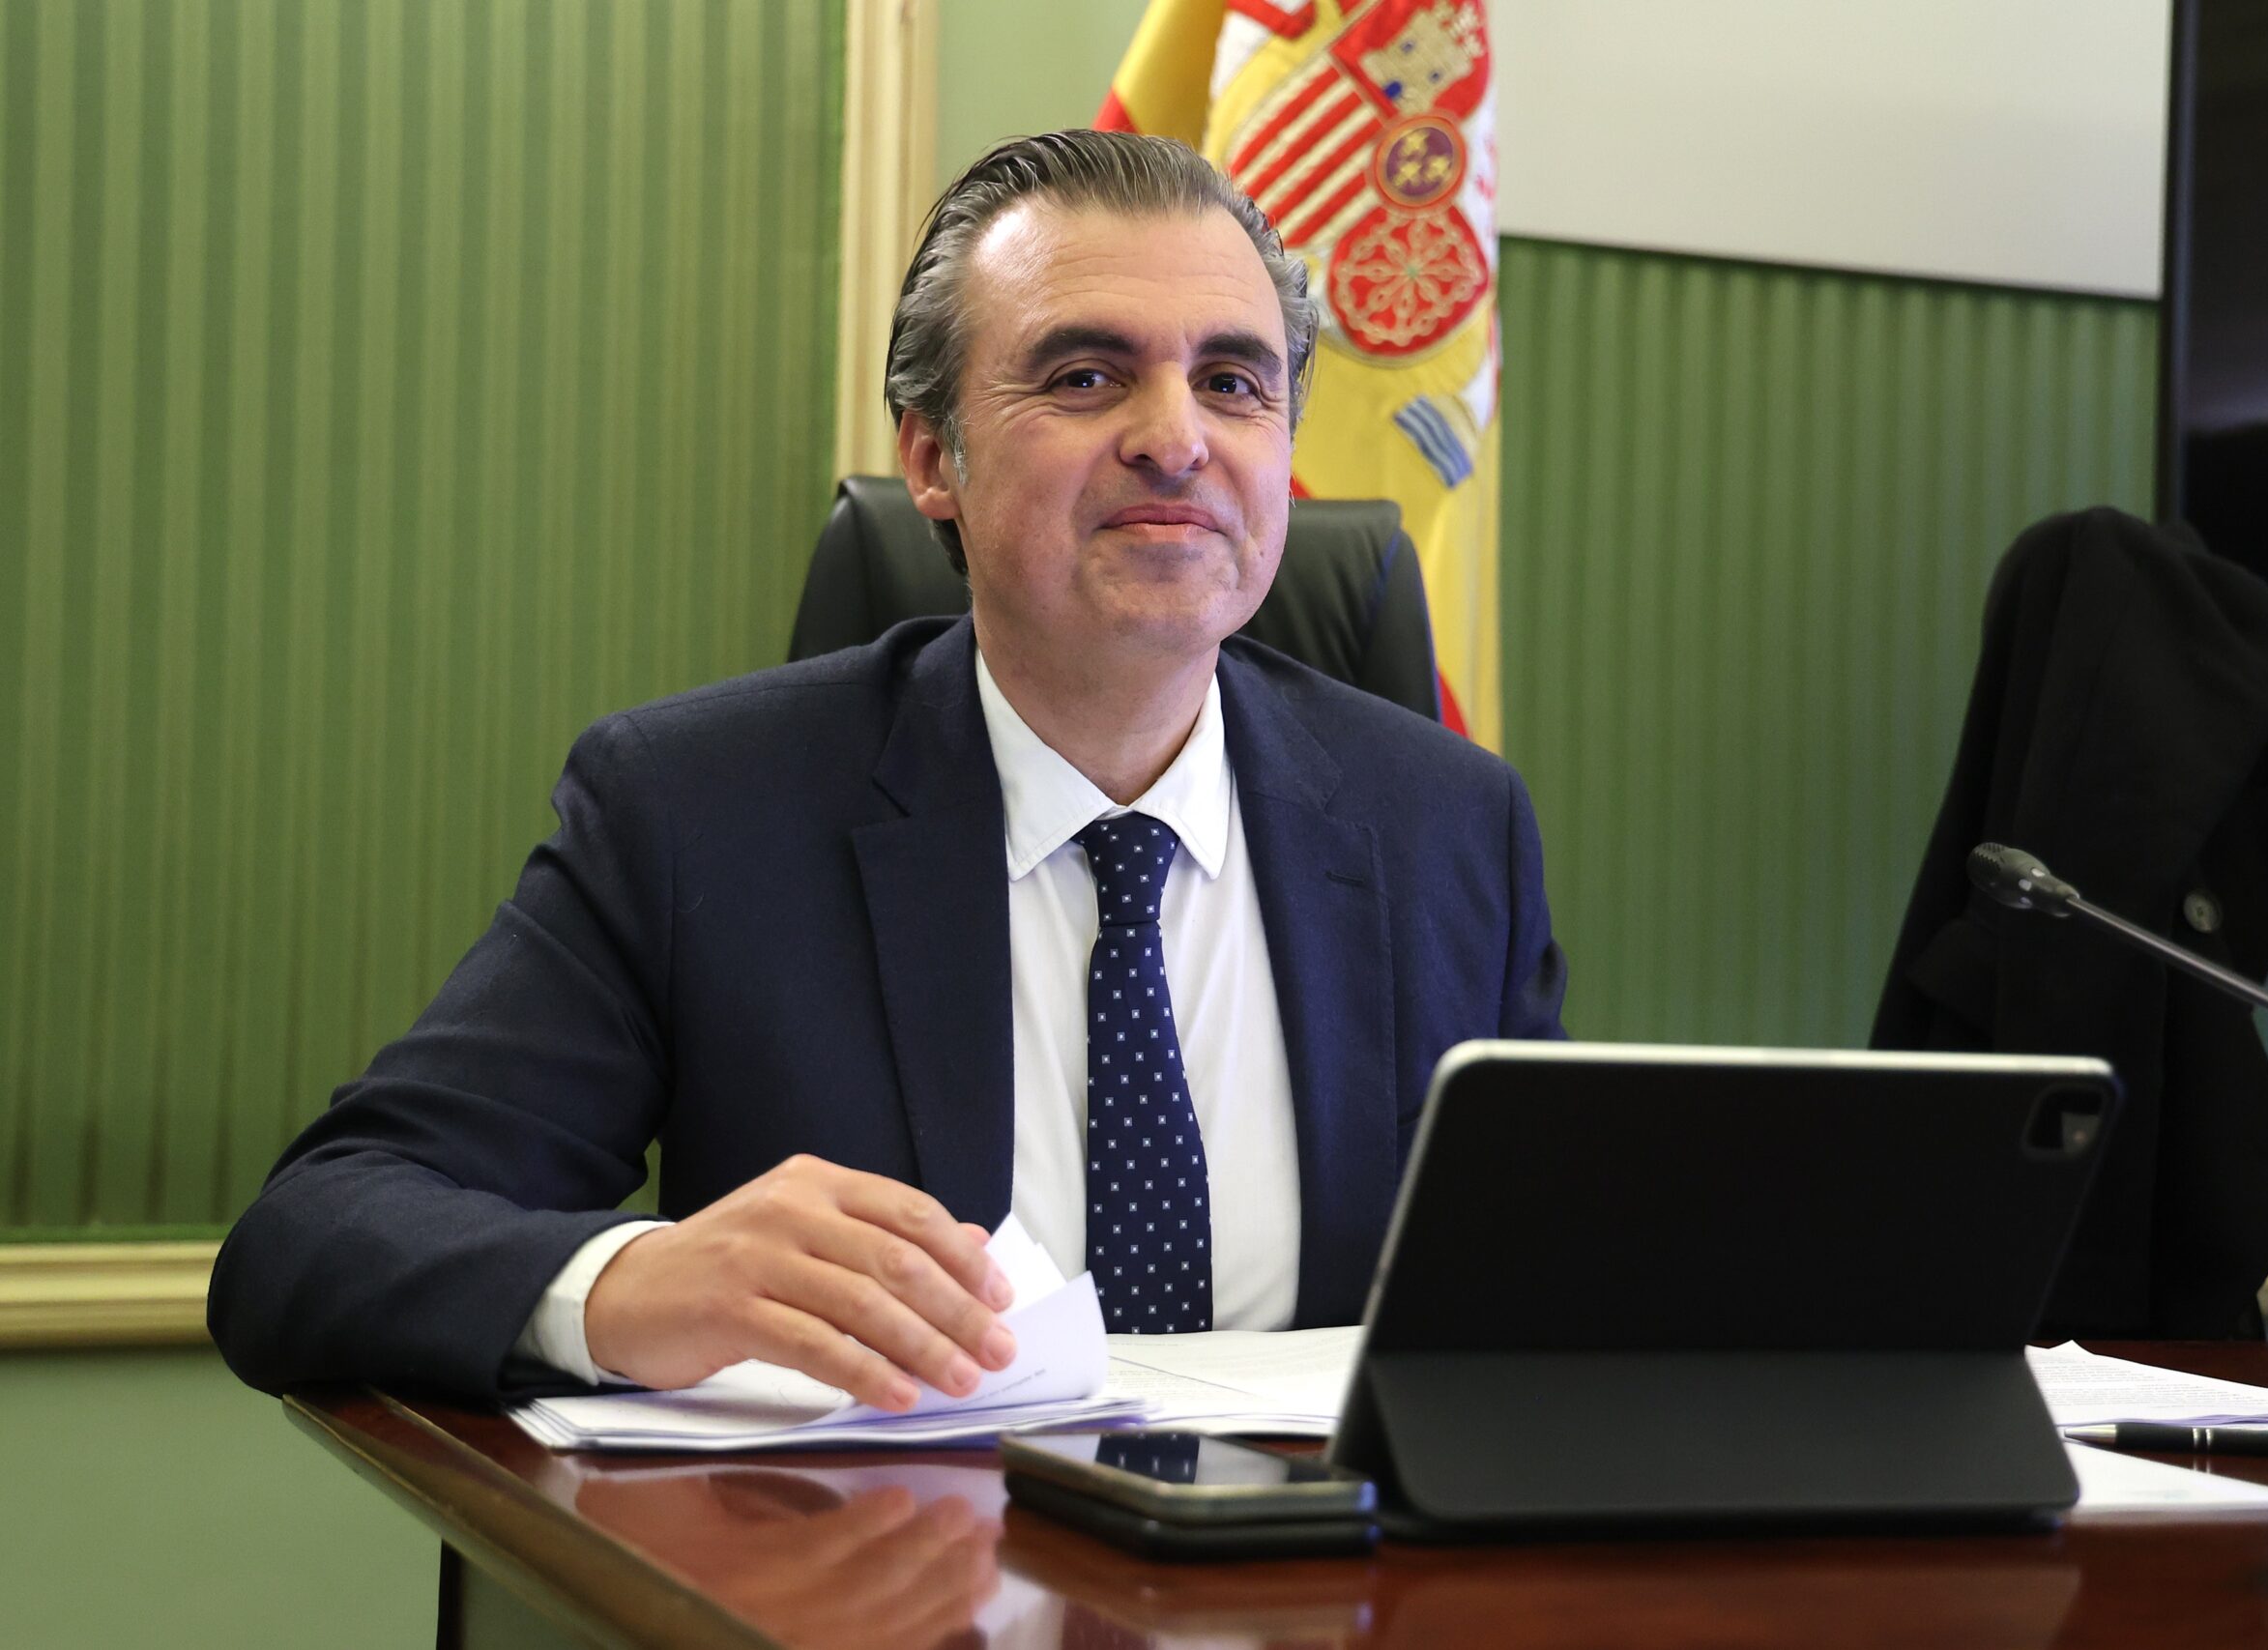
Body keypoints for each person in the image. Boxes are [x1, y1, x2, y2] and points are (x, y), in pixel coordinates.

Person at [208, 130, 1566, 1405]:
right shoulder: (696, 811)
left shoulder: (1450, 828)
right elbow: (313, 1236)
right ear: (932, 459)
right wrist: (627, 1284)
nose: (1176, 438)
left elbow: (1560, 1281)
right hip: (875, 1553)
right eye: (1086, 378)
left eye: (1232, 382)